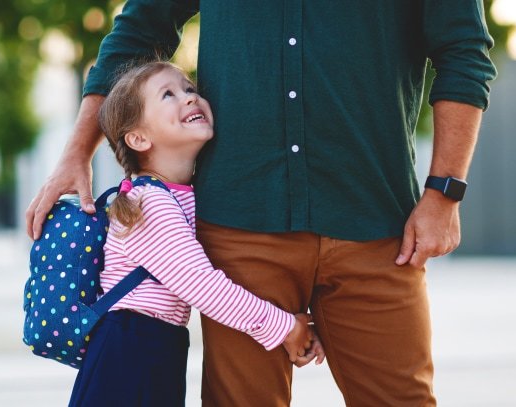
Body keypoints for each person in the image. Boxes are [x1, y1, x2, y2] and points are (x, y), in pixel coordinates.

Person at [27, 2, 497, 406]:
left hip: (375, 222)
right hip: (239, 223)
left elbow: (464, 51)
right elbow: (137, 29)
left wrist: (444, 192)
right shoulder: (154, 207)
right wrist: (76, 151)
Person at [67, 61, 325, 407]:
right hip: (129, 351)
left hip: (152, 346)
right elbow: (204, 286)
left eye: (189, 89)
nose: (189, 98)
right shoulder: (149, 204)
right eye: (168, 94)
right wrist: (285, 328)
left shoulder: (178, 194)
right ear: (138, 138)